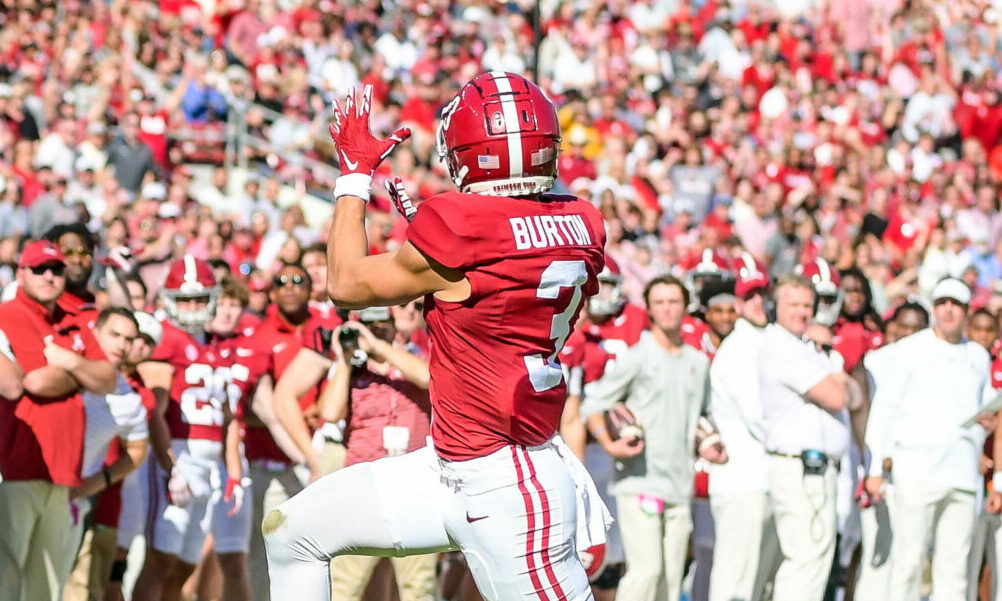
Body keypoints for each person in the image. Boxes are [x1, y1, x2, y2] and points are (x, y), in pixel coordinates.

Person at [264, 74, 608, 601]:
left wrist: (355, 176)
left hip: (510, 481)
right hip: (448, 464)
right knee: (293, 532)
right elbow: (502, 266)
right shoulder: (581, 219)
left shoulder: (460, 223)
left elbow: (346, 283)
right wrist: (435, 253)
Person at [582, 275, 721, 601]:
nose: (667, 309)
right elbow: (594, 405)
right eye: (659, 302)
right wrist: (609, 443)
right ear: (650, 309)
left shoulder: (698, 363)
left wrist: (710, 444)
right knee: (646, 572)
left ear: (686, 306)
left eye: (673, 301)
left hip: (678, 483)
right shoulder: (637, 355)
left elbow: (703, 416)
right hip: (639, 482)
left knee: (671, 581)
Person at [865, 278, 995, 601]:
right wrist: (875, 468)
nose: (948, 310)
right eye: (942, 303)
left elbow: (985, 411)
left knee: (954, 570)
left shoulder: (978, 356)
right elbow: (884, 408)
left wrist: (985, 427)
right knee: (908, 563)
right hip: (916, 471)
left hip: (962, 475)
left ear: (966, 311)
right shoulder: (910, 349)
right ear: (934, 308)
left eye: (956, 304)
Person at [0, 240, 117, 601]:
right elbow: (27, 382)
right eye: (39, 269)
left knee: (48, 583)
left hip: (65, 469)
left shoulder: (75, 319)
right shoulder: (9, 313)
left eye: (56, 269)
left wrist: (67, 364)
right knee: (7, 575)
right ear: (21, 273)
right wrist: (81, 372)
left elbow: (108, 377)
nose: (49, 276)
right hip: (17, 464)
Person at [132, 256, 241, 601]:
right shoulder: (166, 338)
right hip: (179, 453)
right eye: (184, 300)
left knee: (187, 562)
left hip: (210, 463)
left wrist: (233, 471)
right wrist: (171, 466)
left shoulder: (213, 344)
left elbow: (227, 415)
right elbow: (154, 411)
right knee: (161, 558)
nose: (192, 307)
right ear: (169, 300)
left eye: (198, 299)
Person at [312, 306, 437, 601]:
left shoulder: (418, 354)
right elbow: (329, 412)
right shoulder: (352, 366)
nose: (376, 328)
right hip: (363, 483)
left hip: (413, 481)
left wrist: (380, 347)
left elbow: (427, 377)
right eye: (369, 324)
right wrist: (344, 361)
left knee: (418, 586)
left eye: (383, 322)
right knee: (345, 584)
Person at [758, 273, 863, 601]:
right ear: (778, 306)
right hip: (799, 466)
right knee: (805, 557)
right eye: (794, 305)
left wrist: (839, 383)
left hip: (817, 468)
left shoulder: (804, 346)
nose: (802, 312)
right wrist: (839, 381)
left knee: (816, 557)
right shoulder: (781, 345)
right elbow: (838, 396)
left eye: (808, 305)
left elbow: (855, 395)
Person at [57, 308, 150, 596]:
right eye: (115, 335)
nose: (121, 345)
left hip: (74, 500)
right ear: (95, 331)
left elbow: (137, 449)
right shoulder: (62, 371)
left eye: (129, 338)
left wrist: (98, 481)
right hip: (25, 483)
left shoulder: (128, 398)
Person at [707, 257, 780, 601]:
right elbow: (759, 416)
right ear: (736, 303)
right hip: (742, 481)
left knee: (758, 581)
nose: (759, 301)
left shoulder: (767, 341)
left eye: (763, 293)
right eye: (750, 295)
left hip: (764, 478)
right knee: (735, 579)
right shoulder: (737, 349)